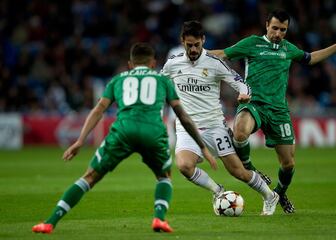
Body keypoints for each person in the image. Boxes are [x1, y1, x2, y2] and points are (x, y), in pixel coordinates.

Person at [32, 42, 217, 234]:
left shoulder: (118, 80)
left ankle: (50, 222)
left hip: (123, 131)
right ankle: (159, 219)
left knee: (89, 177)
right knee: (164, 176)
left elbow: (98, 110)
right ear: (153, 63)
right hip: (152, 132)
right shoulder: (163, 81)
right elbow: (183, 116)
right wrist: (202, 147)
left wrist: (80, 141)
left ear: (130, 64)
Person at [209, 9, 336, 213]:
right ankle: (249, 167)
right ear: (267, 25)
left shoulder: (288, 48)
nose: (278, 33)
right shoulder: (252, 43)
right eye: (275, 28)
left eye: (282, 30)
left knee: (288, 164)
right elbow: (223, 53)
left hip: (279, 111)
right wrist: (194, 55)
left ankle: (279, 193)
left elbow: (310, 58)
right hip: (254, 103)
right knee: (240, 130)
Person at [161, 20, 279, 216]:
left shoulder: (215, 63)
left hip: (214, 126)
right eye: (189, 44)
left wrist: (243, 93)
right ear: (182, 41)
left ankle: (269, 195)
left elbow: (240, 82)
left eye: (196, 44)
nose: (193, 49)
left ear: (203, 40)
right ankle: (217, 191)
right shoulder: (172, 64)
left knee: (238, 171)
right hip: (187, 128)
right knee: (183, 165)